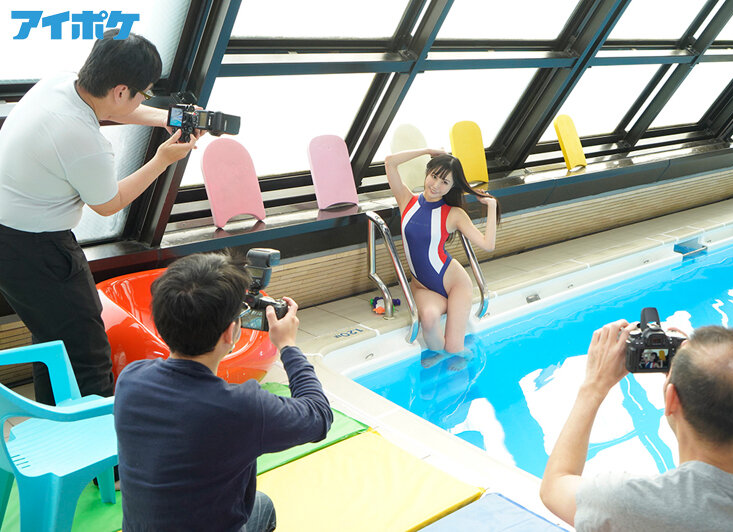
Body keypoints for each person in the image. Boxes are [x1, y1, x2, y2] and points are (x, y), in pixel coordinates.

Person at [0, 29, 197, 405]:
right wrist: (163, 159)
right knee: (87, 353)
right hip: (36, 248)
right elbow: (109, 204)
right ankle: (94, 438)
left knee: (54, 339)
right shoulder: (82, 139)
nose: (144, 99)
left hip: (11, 237)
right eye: (145, 93)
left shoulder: (60, 83)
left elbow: (115, 107)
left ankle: (56, 422)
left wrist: (167, 118)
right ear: (121, 90)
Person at [114, 252, 333, 531]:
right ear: (230, 333)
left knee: (259, 504)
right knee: (263, 507)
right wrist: (288, 345)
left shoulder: (130, 380)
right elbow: (320, 416)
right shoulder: (243, 407)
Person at [540, 321, 733, 531]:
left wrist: (594, 386)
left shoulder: (628, 505)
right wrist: (695, 370)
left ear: (671, 399)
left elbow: (554, 486)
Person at [385, 149, 499, 360]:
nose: (436, 185)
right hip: (423, 286)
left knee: (455, 349)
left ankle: (462, 357)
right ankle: (439, 354)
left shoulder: (454, 214)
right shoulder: (406, 200)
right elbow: (390, 162)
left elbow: (488, 244)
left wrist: (491, 206)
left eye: (445, 182)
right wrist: (427, 151)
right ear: (427, 173)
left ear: (452, 187)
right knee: (428, 318)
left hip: (455, 284)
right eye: (434, 176)